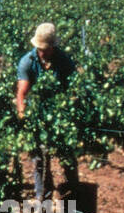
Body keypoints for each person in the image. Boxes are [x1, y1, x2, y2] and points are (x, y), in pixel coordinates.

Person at [15, 22, 79, 200]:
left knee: (68, 158)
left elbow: (73, 89)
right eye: (39, 48)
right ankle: (42, 198)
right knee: (39, 161)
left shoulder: (64, 61)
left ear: (53, 47)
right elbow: (22, 93)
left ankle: (74, 197)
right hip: (38, 115)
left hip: (62, 115)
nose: (42, 52)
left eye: (46, 49)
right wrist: (23, 114)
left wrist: (69, 112)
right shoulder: (27, 62)